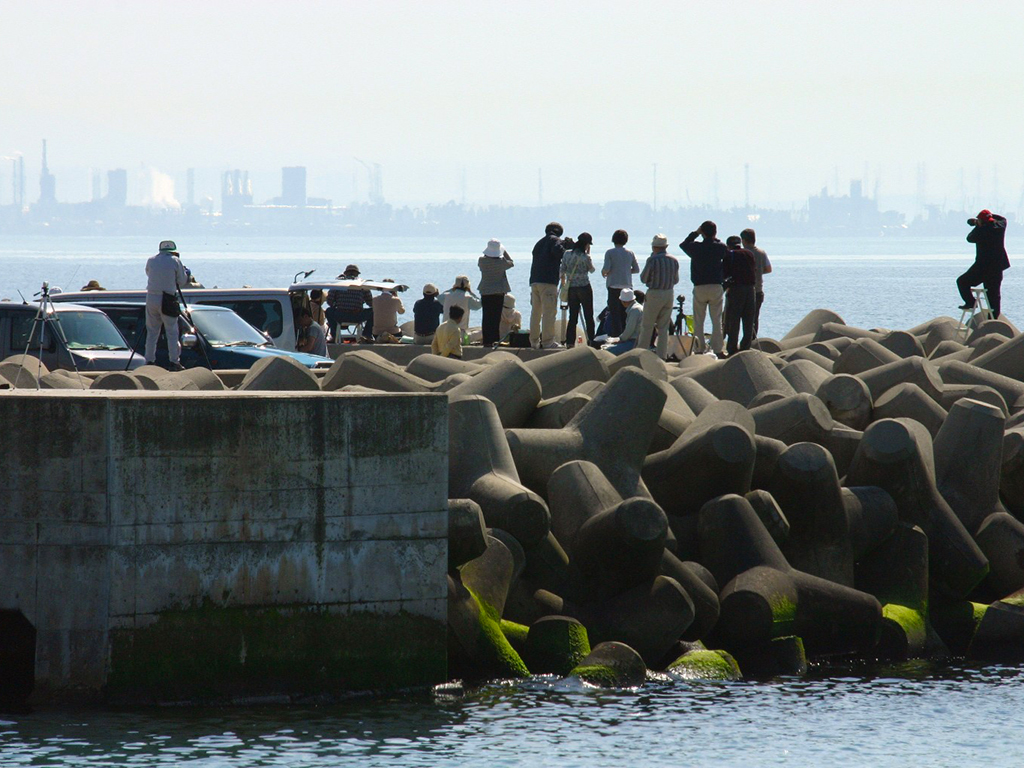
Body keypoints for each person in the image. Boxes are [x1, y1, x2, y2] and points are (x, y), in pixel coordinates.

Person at [681, 221, 728, 356]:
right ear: (715, 232)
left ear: (702, 232)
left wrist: (696, 233)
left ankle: (699, 348)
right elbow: (725, 252)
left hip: (700, 285)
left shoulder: (696, 248)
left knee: (698, 320)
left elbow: (683, 244)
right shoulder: (719, 247)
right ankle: (718, 349)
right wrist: (714, 238)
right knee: (717, 319)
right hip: (716, 285)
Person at [958, 209, 1010, 319]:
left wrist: (977, 224)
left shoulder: (981, 231)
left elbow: (969, 238)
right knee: (994, 295)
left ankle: (970, 302)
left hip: (983, 267)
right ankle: (993, 319)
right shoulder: (999, 226)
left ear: (982, 222)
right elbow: (1003, 219)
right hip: (997, 267)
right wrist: (986, 218)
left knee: (962, 282)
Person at [145, 240, 188, 370]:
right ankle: (174, 361)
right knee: (172, 331)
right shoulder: (175, 261)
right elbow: (182, 281)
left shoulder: (151, 260)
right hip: (167, 298)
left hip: (151, 297)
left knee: (152, 331)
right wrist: (186, 273)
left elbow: (148, 273)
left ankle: (149, 360)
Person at [637, 234, 680, 360]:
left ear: (654, 247)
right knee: (664, 327)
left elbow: (643, 278)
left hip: (654, 293)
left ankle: (641, 354)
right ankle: (662, 356)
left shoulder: (652, 260)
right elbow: (676, 280)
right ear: (666, 246)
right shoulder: (674, 260)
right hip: (669, 293)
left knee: (647, 326)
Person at [530, 222, 569, 349]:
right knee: (549, 312)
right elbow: (559, 252)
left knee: (536, 312)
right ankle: (547, 342)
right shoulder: (555, 240)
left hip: (535, 280)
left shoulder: (539, 243)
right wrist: (566, 246)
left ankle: (534, 341)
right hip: (548, 281)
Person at [560, 232, 597, 347]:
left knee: (573, 316)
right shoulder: (586, 257)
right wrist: (588, 255)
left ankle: (570, 342)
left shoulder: (567, 254)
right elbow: (592, 270)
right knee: (588, 315)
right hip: (584, 287)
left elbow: (562, 270)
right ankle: (591, 340)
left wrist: (564, 284)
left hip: (572, 288)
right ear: (586, 244)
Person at [723, 236, 758, 356]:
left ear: (728, 245)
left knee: (734, 320)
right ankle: (746, 346)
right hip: (750, 289)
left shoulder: (730, 254)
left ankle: (732, 348)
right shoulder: (749, 253)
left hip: (736, 289)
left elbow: (725, 272)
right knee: (748, 320)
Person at [602, 229, 640, 337]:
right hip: (627, 286)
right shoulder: (630, 253)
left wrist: (604, 272)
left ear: (613, 240)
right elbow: (636, 269)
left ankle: (616, 336)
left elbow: (606, 268)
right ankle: (627, 335)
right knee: (627, 313)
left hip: (613, 286)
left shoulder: (610, 252)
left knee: (615, 314)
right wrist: (627, 271)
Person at [478, 238, 514, 346]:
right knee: (495, 317)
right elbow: (511, 263)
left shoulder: (482, 261)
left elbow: (485, 258)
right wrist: (504, 252)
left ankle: (486, 340)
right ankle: (494, 339)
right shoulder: (502, 262)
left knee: (486, 317)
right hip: (498, 292)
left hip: (485, 292)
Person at [326, 264, 373, 341]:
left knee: (328, 311)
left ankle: (334, 335)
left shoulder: (338, 284)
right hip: (357, 316)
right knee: (373, 312)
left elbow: (329, 301)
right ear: (357, 274)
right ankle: (366, 335)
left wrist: (336, 304)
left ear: (346, 273)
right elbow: (370, 303)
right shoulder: (362, 285)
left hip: (341, 315)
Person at [740, 228, 772, 339]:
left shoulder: (742, 253)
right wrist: (758, 272)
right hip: (758, 290)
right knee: (754, 318)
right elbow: (768, 269)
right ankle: (752, 340)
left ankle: (737, 341)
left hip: (742, 289)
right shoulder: (761, 253)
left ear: (743, 240)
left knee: (737, 317)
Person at [605, 288, 644, 355]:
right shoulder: (637, 307)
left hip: (634, 342)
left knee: (607, 351)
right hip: (639, 340)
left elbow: (629, 330)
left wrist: (620, 339)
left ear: (623, 301)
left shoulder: (634, 310)